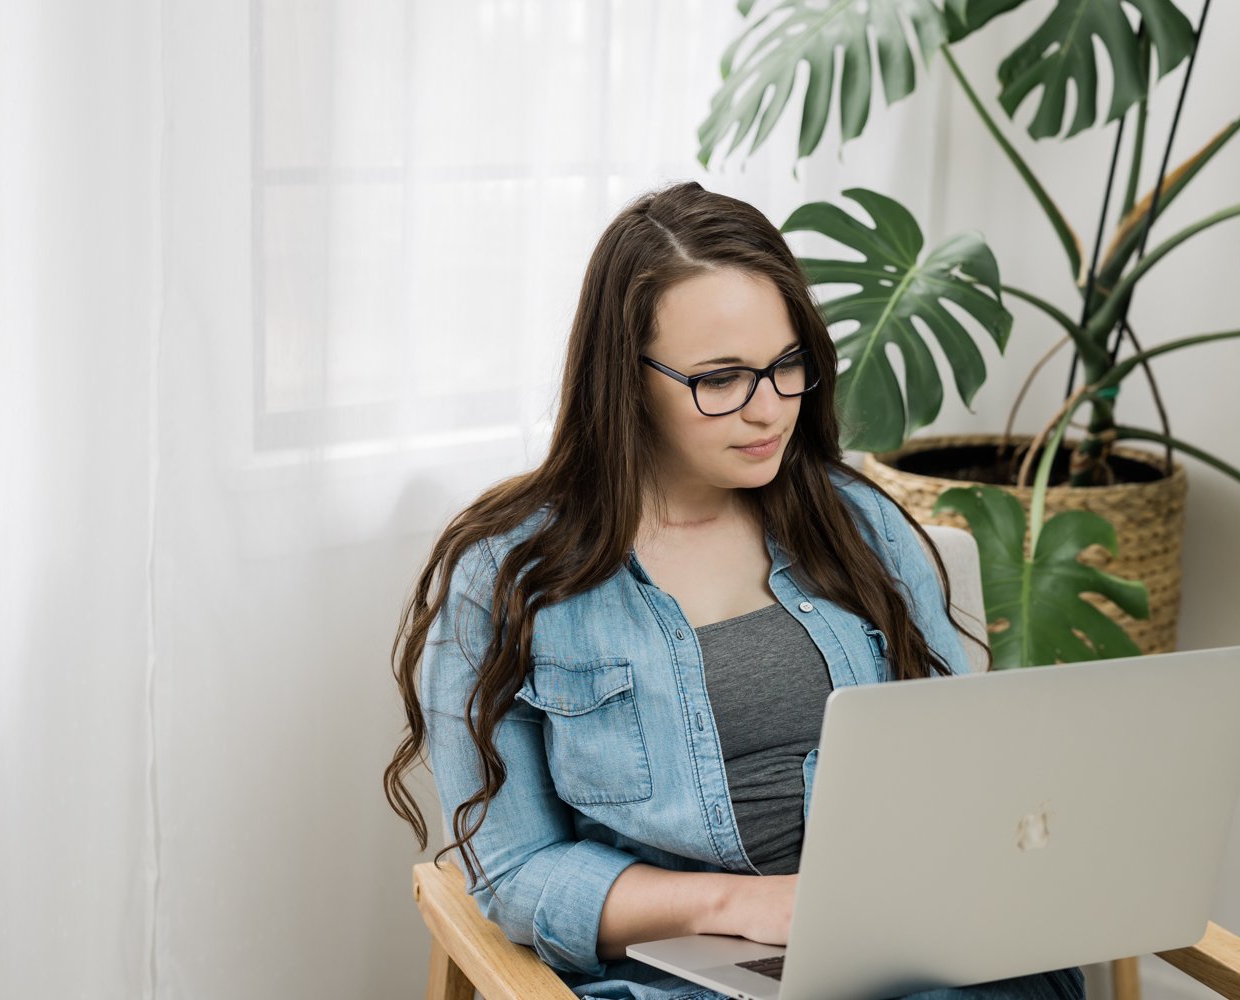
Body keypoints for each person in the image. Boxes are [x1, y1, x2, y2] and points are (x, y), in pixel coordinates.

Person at [385, 180, 1086, 1000]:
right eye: (721, 379)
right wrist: (744, 905)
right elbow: (515, 873)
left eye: (787, 366)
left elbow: (964, 770)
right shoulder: (508, 574)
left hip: (911, 950)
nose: (769, 412)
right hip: (684, 978)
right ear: (625, 379)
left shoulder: (856, 522)